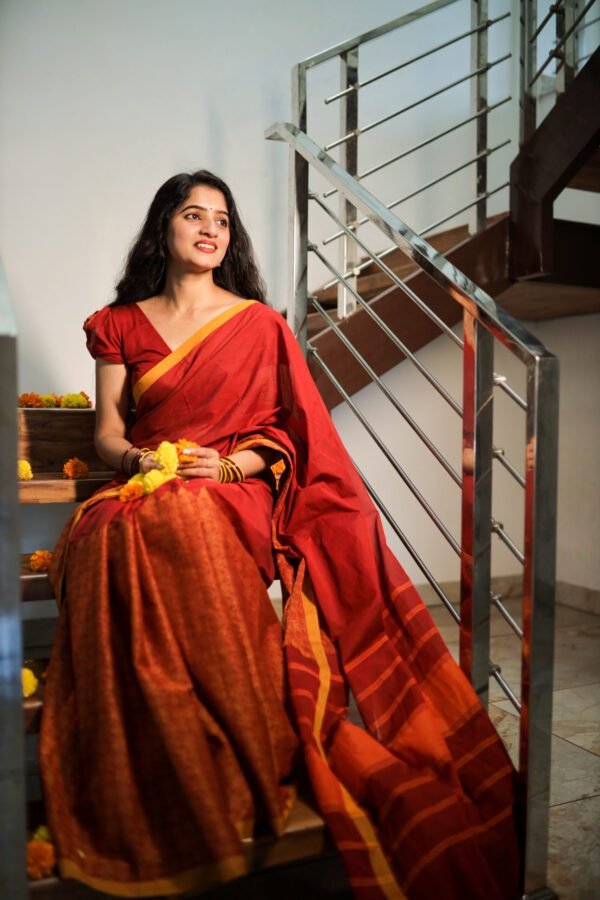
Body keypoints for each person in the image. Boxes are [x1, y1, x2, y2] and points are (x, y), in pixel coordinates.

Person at [41, 170, 520, 900]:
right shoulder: (119, 324)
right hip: (147, 479)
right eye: (193, 215)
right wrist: (141, 459)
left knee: (189, 516)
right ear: (163, 228)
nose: (210, 229)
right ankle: (169, 748)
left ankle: (247, 739)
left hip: (232, 492)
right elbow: (108, 432)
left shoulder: (258, 324)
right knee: (111, 529)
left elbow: (286, 433)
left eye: (223, 220)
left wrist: (228, 467)